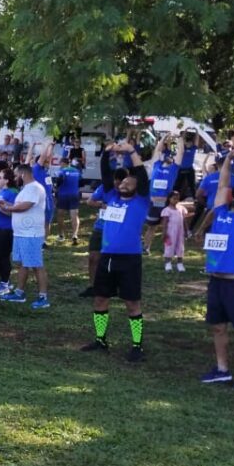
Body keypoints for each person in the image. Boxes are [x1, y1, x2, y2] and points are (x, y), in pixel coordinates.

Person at [82, 142, 152, 362]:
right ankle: (101, 340)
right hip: (107, 258)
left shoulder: (141, 201)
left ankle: (137, 345)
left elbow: (141, 173)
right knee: (100, 298)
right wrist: (106, 152)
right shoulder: (111, 197)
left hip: (130, 259)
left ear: (136, 187)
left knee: (132, 303)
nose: (124, 183)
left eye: (129, 182)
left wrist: (131, 151)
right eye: (122, 181)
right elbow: (105, 174)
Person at [198, 151, 234, 391]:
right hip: (215, 280)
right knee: (218, 327)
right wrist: (229, 158)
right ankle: (222, 370)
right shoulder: (219, 211)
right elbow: (223, 182)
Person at [0, 165, 50, 309]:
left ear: (22, 174)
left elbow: (25, 206)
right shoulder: (25, 189)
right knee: (22, 264)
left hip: (31, 234)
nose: (14, 178)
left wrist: (8, 208)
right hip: (20, 233)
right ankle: (19, 293)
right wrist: (5, 204)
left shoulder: (34, 188)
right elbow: (17, 205)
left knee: (36, 265)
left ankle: (43, 297)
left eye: (15, 175)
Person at [142, 135, 179, 254]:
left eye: (171, 158)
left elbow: (179, 153)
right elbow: (157, 150)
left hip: (165, 203)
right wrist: (163, 138)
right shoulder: (157, 165)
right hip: (153, 203)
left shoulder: (173, 169)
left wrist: (178, 140)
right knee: (151, 227)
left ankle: (169, 250)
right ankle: (146, 247)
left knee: (167, 226)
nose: (169, 158)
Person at [54, 157, 82, 244]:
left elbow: (58, 182)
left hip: (63, 195)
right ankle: (74, 235)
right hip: (74, 194)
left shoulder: (61, 171)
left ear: (63, 163)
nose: (59, 165)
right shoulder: (77, 171)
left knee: (60, 216)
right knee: (74, 216)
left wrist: (55, 188)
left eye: (60, 163)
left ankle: (61, 235)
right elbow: (82, 182)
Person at [160, 191, 187, 272]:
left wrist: (187, 230)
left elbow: (184, 220)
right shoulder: (167, 210)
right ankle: (168, 263)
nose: (176, 200)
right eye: (174, 199)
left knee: (180, 246)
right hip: (170, 232)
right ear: (169, 199)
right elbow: (165, 222)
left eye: (177, 199)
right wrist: (164, 232)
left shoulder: (181, 209)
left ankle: (180, 263)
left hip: (180, 232)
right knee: (169, 246)